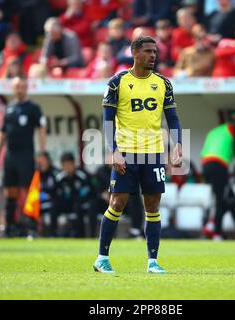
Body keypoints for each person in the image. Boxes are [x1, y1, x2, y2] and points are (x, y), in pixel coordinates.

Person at [93, 36, 183, 274]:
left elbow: (172, 117)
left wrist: (178, 144)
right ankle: (102, 258)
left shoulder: (164, 83)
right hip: (126, 152)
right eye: (148, 51)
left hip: (153, 152)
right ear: (135, 53)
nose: (153, 56)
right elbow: (108, 120)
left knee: (152, 206)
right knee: (117, 202)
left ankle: (153, 261)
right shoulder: (117, 82)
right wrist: (112, 151)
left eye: (155, 51)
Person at [0, 77, 47, 237]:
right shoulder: (9, 108)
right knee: (10, 191)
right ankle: (9, 227)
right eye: (17, 87)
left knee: (28, 192)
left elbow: (41, 130)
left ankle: (31, 227)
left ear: (26, 88)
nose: (20, 90)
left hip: (26, 155)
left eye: (22, 87)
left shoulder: (33, 108)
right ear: (13, 89)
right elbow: (2, 132)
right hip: (10, 155)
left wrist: (42, 152)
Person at [201, 119, 235, 241]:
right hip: (218, 165)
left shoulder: (214, 132)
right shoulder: (231, 129)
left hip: (206, 165)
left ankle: (213, 223)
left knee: (227, 197)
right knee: (221, 199)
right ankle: (216, 231)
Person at [54, 152, 96, 238]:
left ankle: (83, 235)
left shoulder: (82, 176)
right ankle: (52, 235)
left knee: (84, 207)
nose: (68, 167)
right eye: (65, 165)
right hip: (67, 204)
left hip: (81, 203)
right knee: (53, 207)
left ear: (73, 164)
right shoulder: (60, 178)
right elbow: (57, 194)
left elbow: (89, 191)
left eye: (69, 164)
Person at [35, 151, 60, 237]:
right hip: (39, 202)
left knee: (54, 206)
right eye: (39, 161)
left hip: (53, 201)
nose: (41, 163)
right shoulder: (36, 174)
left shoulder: (55, 173)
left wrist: (48, 196)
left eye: (43, 160)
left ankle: (53, 233)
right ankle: (33, 231)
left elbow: (58, 191)